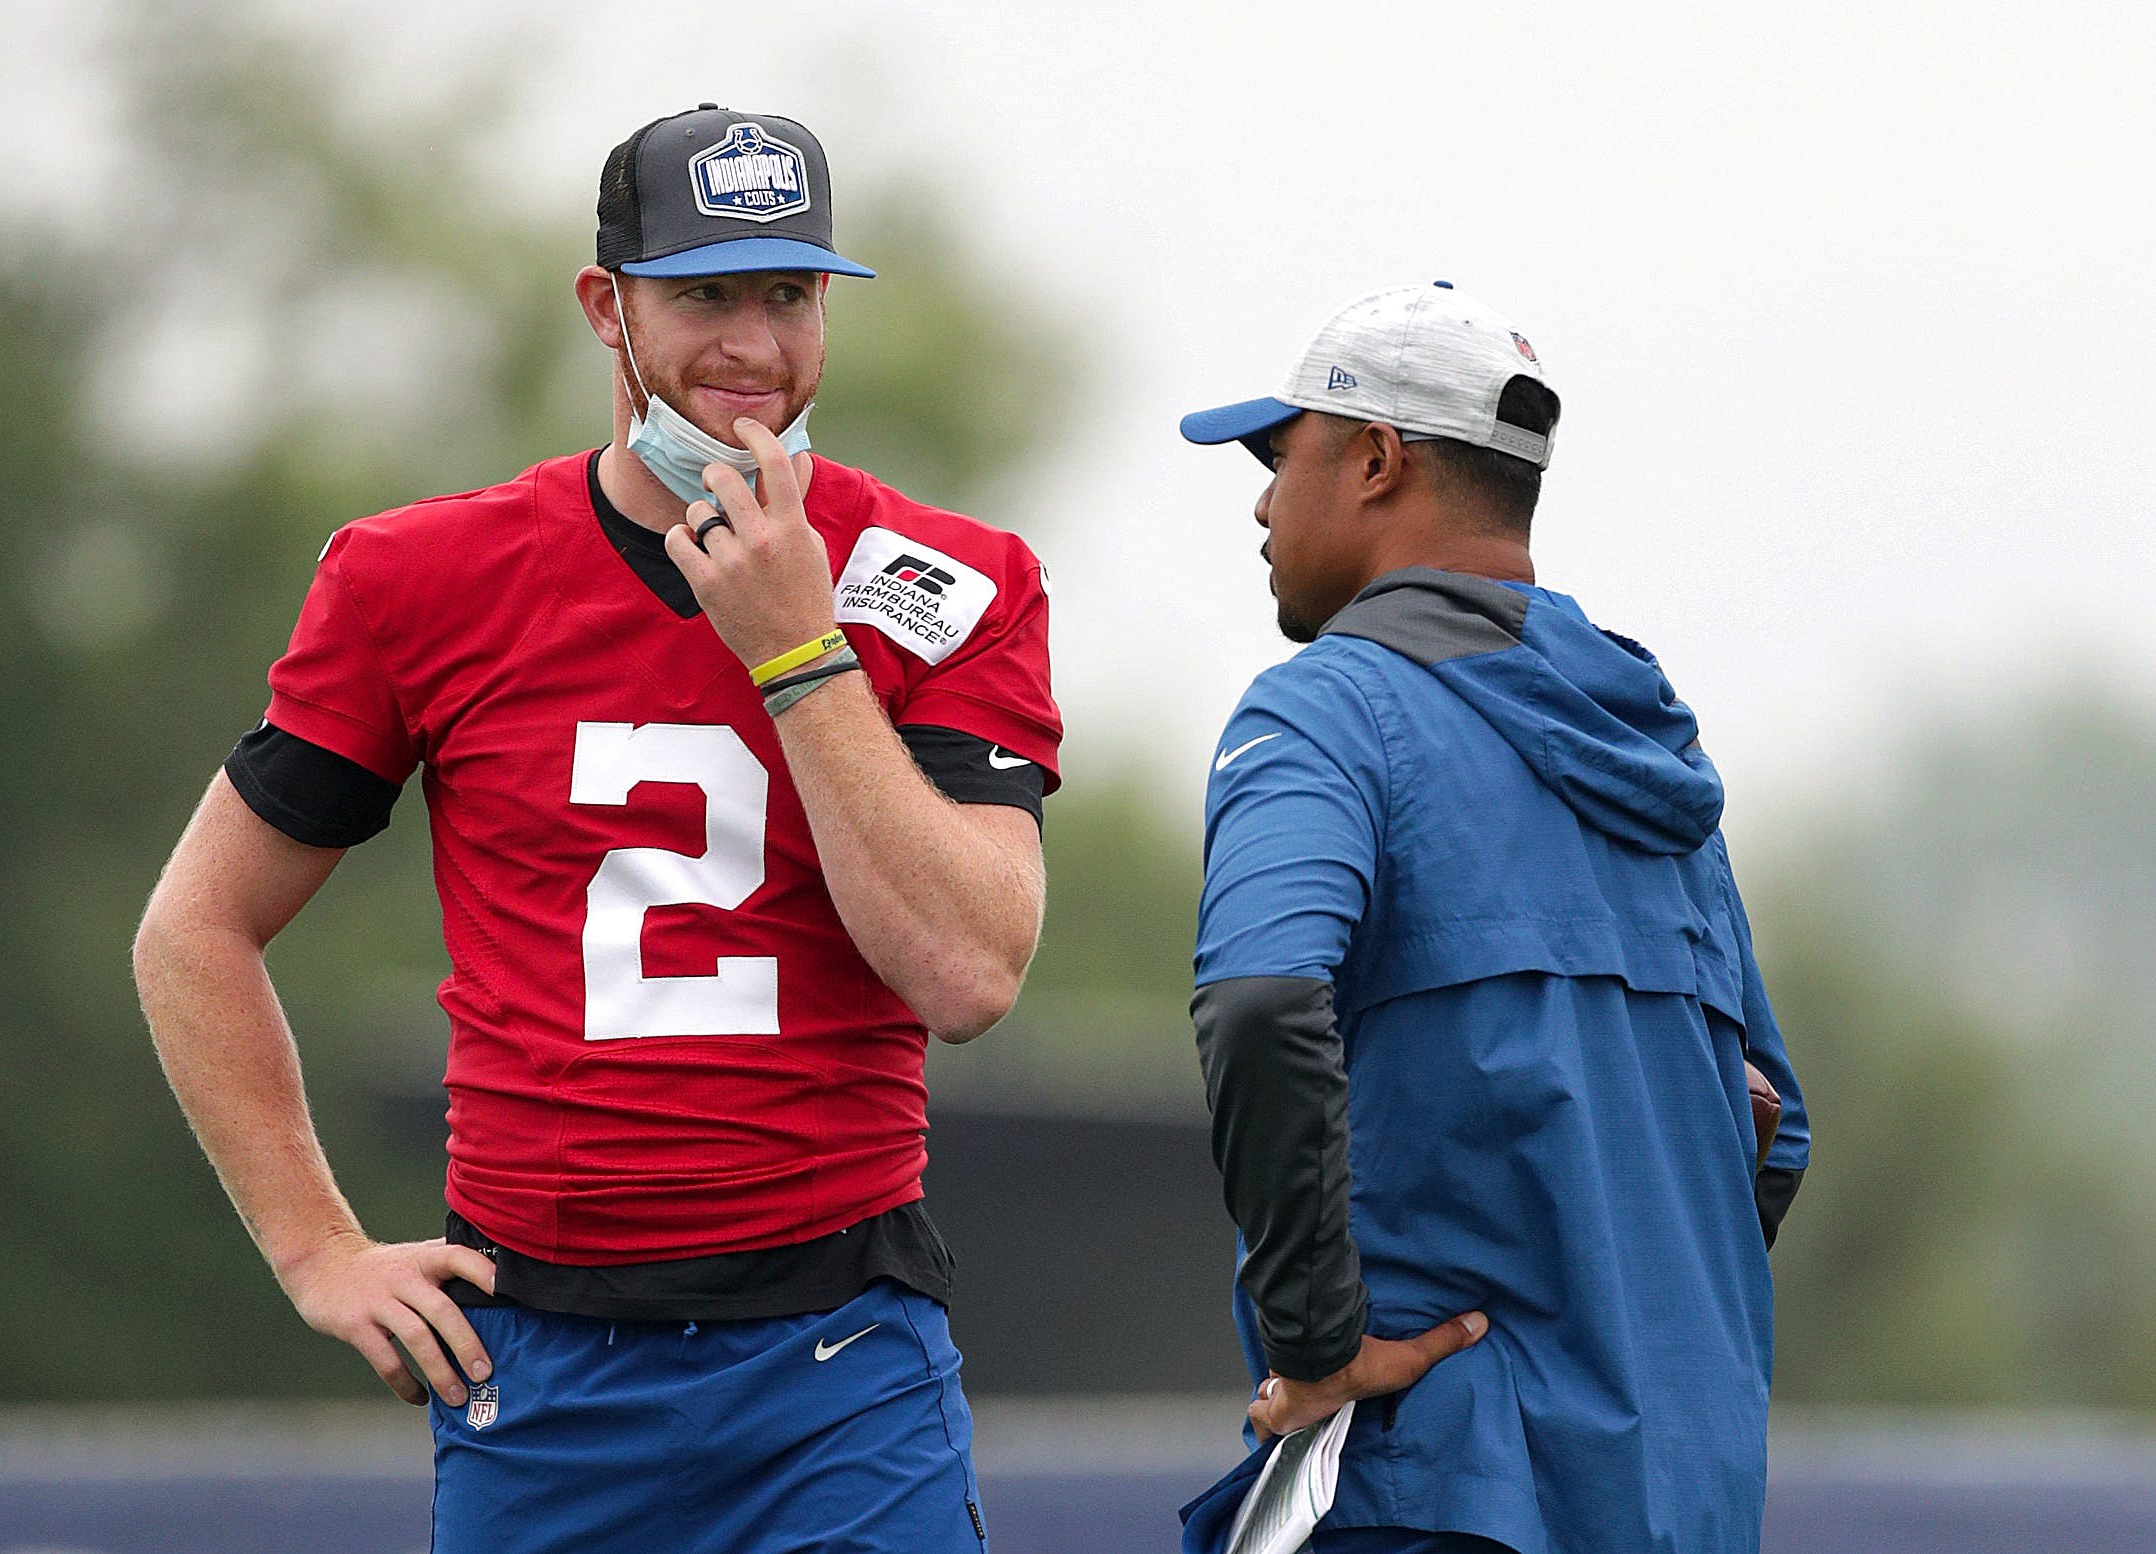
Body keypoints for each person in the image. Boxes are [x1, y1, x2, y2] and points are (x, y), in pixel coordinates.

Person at [132, 105, 1059, 1554]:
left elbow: (969, 974)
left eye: (786, 295)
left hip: (838, 1359)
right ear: (606, 308)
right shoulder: (419, 577)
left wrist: (801, 656)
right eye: (702, 295)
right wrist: (318, 1247)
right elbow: (196, 924)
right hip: (542, 1366)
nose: (750, 343)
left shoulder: (943, 577)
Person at [1172, 282, 1809, 1554]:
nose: (1256, 501)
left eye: (1275, 454)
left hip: (1443, 1493)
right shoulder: (1650, 742)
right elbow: (1770, 1133)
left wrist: (1319, 1344)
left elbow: (1256, 1001)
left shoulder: (1324, 710)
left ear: (1373, 460)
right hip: (1687, 1496)